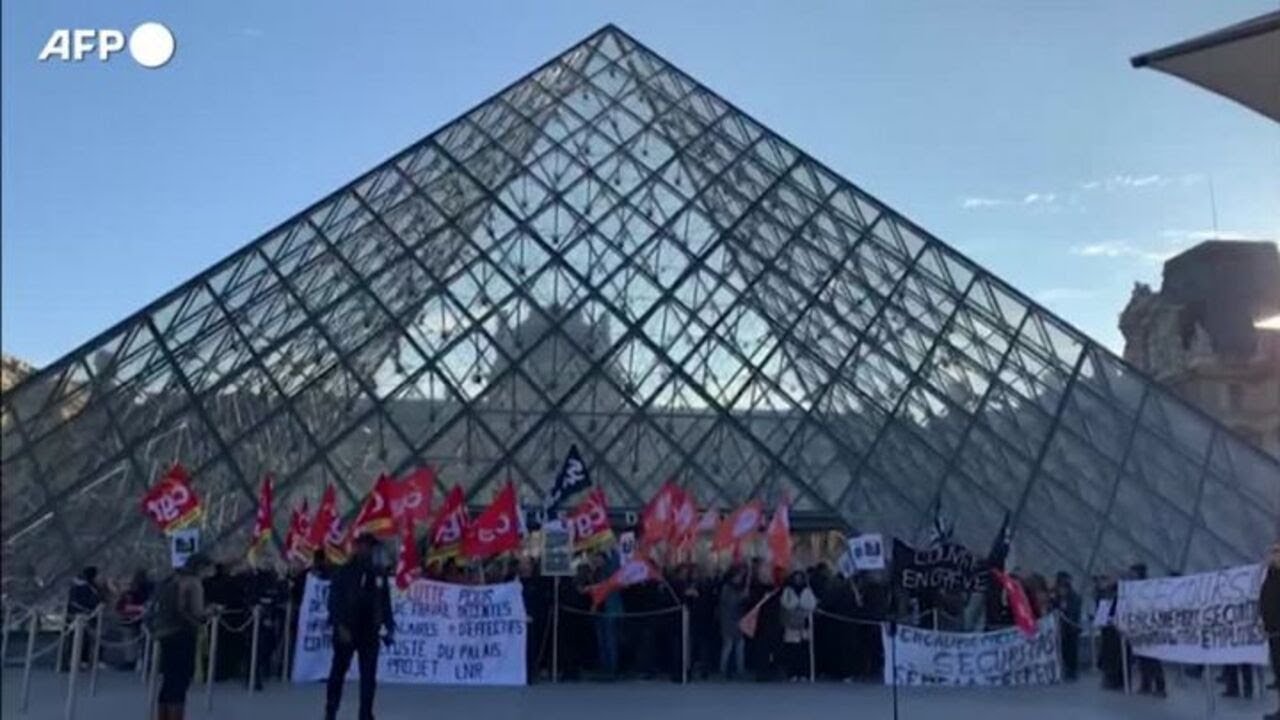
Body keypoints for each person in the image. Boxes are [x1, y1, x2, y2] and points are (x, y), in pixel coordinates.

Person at [324, 534, 395, 720]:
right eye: (364, 546)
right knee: (338, 672)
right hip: (347, 628)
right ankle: (331, 710)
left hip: (369, 631)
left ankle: (365, 713)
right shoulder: (343, 572)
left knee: (369, 677)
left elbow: (385, 602)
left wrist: (389, 626)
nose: (368, 550)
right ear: (357, 547)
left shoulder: (379, 575)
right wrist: (339, 625)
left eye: (370, 547)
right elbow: (334, 602)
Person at [151, 553, 217, 720]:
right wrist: (211, 611)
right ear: (200, 567)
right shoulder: (193, 583)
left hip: (165, 632)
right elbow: (197, 612)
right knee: (180, 681)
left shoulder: (172, 579)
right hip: (183, 633)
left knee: (168, 679)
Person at [1129, 564, 1166, 698]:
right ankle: (1147, 684)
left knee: (1153, 659)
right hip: (1141, 627)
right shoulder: (1136, 588)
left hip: (1149, 628)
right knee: (1143, 658)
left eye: (1133, 572)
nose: (1131, 575)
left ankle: (1159, 686)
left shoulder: (1147, 588)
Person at [62, 566, 103, 671]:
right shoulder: (81, 587)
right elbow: (80, 602)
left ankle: (81, 661)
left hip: (86, 617)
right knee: (76, 639)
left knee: (85, 640)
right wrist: (89, 610)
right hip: (79, 617)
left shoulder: (89, 587)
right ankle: (72, 661)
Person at [779, 570, 817, 682]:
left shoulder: (807, 590)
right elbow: (785, 603)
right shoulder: (788, 590)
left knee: (804, 648)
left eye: (800, 578)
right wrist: (795, 606)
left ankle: (804, 672)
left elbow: (812, 604)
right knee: (793, 649)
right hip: (792, 623)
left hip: (804, 623)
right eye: (796, 578)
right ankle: (792, 673)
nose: (798, 580)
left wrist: (804, 609)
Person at [718, 565, 747, 679]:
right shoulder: (727, 588)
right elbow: (729, 602)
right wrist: (741, 596)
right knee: (728, 646)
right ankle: (723, 669)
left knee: (740, 646)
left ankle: (740, 669)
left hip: (739, 620)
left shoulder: (739, 587)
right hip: (728, 620)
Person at [1052, 572, 1082, 681]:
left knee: (1071, 650)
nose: (1061, 591)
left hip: (1071, 628)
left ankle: (1072, 670)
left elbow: (1074, 612)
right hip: (1060, 628)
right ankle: (1064, 669)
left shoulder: (1074, 598)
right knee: (1063, 650)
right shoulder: (1056, 598)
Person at [1262, 542, 1280, 720]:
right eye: (1273, 551)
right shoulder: (1271, 574)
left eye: (1277, 551)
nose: (1274, 555)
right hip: (1273, 631)